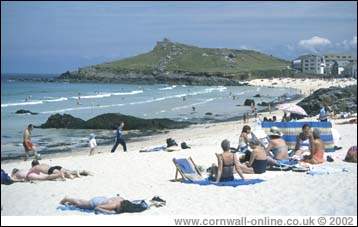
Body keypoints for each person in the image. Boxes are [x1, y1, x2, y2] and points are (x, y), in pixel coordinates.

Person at [59, 195, 165, 214]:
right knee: (81, 204)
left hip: (103, 199)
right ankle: (67, 198)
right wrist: (111, 213)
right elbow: (97, 208)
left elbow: (136, 204)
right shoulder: (116, 205)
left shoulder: (123, 200)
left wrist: (152, 205)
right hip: (96, 202)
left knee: (80, 203)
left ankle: (68, 200)